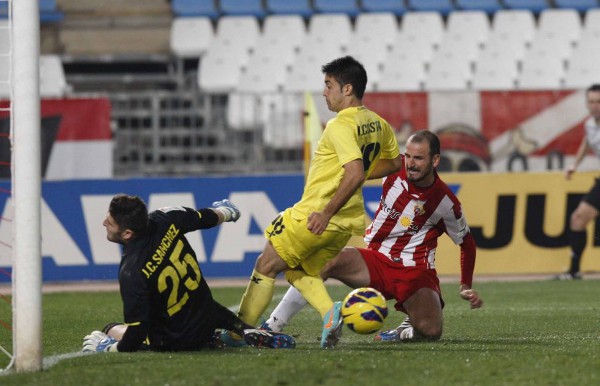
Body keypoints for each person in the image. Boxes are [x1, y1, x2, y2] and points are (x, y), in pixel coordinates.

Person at [222, 55, 403, 349]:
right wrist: (351, 178)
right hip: (346, 223)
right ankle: (329, 312)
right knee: (299, 271)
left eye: (329, 84)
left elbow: (356, 172)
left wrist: (327, 210)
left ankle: (234, 334)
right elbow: (395, 163)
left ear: (347, 89)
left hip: (317, 214)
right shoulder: (378, 123)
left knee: (266, 264)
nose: (324, 91)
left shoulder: (339, 125)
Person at [262, 130, 483, 343]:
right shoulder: (393, 168)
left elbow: (468, 244)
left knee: (431, 331)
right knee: (326, 262)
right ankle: (273, 325)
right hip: (376, 260)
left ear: (435, 160)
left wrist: (465, 285)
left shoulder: (445, 202)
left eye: (419, 158)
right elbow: (353, 172)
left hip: (415, 272)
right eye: (408, 156)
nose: (411, 163)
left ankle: (405, 330)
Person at [81, 194, 296, 353]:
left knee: (110, 328)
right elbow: (204, 217)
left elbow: (137, 332)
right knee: (198, 305)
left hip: (176, 339)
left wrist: (109, 348)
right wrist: (227, 212)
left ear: (127, 233)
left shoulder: (131, 270)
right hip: (206, 314)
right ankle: (240, 330)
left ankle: (220, 337)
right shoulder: (166, 218)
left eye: (109, 223)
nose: (104, 224)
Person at [557, 84, 600, 280]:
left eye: (599, 101)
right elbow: (588, 142)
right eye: (591, 101)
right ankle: (574, 271)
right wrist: (575, 164)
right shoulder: (590, 124)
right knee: (578, 218)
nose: (595, 106)